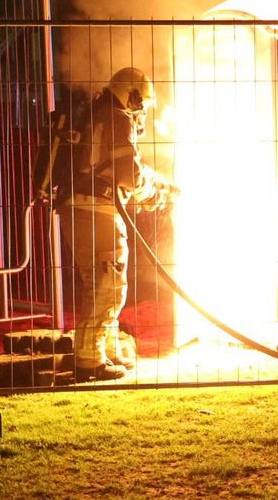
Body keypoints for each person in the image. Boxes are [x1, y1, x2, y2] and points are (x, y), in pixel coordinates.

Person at [36, 67, 175, 382]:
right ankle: (90, 361)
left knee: (99, 283)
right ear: (133, 94)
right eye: (142, 103)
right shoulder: (118, 118)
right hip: (97, 211)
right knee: (108, 288)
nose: (142, 112)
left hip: (81, 209)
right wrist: (158, 191)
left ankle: (107, 350)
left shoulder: (95, 114)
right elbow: (129, 173)